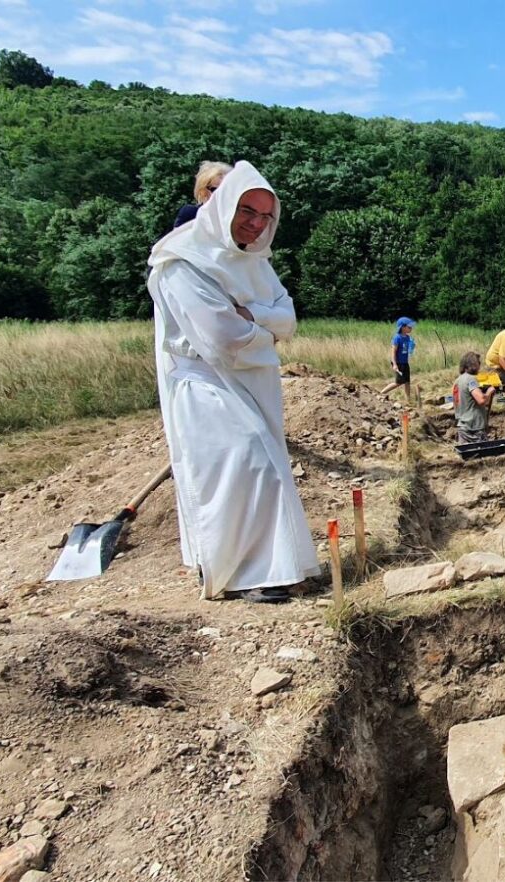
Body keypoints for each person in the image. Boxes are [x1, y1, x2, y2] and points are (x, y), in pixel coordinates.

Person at [146, 160, 319, 603]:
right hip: (208, 385)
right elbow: (222, 340)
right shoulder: (182, 259)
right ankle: (241, 572)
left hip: (253, 380)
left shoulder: (253, 260)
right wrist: (266, 330)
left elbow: (288, 317)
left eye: (266, 216)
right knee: (243, 465)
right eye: (248, 211)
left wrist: (255, 317)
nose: (256, 224)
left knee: (264, 465)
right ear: (222, 205)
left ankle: (271, 568)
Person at [172, 161, 231, 230]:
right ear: (203, 191)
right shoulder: (190, 214)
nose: (222, 195)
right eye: (216, 190)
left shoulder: (236, 219)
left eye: (227, 190)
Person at [453, 351, 496, 444]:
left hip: (462, 426)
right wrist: (489, 391)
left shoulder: (457, 381)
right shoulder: (470, 379)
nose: (479, 365)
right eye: (478, 362)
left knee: (466, 455)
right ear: (472, 364)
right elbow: (481, 400)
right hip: (474, 427)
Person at [378, 317, 416, 400]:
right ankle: (380, 393)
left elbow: (408, 350)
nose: (411, 328)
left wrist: (412, 346)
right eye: (409, 327)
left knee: (407, 382)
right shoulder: (397, 338)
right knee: (398, 383)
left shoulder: (408, 337)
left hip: (405, 362)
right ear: (403, 327)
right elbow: (393, 352)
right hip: (398, 363)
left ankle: (408, 400)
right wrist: (394, 364)